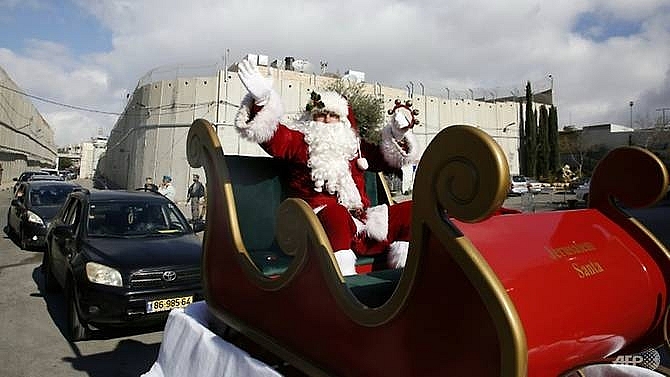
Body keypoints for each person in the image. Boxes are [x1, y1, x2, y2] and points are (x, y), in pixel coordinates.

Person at [235, 59, 420, 275]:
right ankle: (345, 287)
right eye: (321, 115)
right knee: (336, 214)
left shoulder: (354, 147)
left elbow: (386, 157)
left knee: (412, 211)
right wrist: (262, 100)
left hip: (362, 223)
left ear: (343, 121)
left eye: (333, 116)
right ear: (311, 118)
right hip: (315, 224)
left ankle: (405, 278)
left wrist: (398, 133)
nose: (326, 120)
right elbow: (273, 138)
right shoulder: (299, 142)